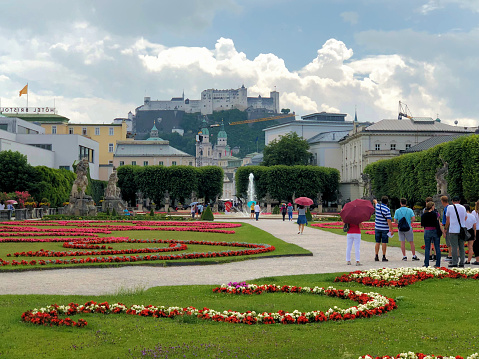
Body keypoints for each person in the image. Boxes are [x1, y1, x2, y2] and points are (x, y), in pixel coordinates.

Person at [445, 196, 467, 268]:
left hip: (453, 229)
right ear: (459, 201)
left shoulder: (450, 207)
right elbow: (465, 217)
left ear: (452, 201)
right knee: (461, 247)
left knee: (454, 247)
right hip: (462, 229)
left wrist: (446, 228)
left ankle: (454, 262)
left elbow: (447, 219)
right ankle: (462, 262)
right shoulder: (463, 207)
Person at [421, 201, 442, 268]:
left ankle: (426, 263)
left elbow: (422, 225)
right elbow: (438, 223)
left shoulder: (424, 215)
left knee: (427, 247)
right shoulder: (436, 214)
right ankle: (437, 264)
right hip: (435, 230)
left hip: (427, 230)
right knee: (437, 247)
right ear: (432, 206)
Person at [373, 196, 394, 262]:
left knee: (377, 242)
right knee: (384, 242)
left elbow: (376, 203)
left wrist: (375, 201)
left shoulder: (378, 207)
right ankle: (383, 256)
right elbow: (388, 220)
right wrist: (391, 229)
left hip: (377, 227)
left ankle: (376, 256)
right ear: (387, 202)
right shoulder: (387, 209)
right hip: (384, 228)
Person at [441, 196, 452, 262]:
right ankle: (450, 254)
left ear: (442, 201)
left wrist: (445, 228)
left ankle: (450, 255)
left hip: (447, 225)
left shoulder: (446, 208)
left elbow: (447, 219)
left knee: (448, 240)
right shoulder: (450, 207)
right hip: (450, 225)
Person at [472, 201, 479, 265]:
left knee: (476, 245)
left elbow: (473, 222)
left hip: (476, 229)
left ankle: (477, 260)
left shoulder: (474, 213)